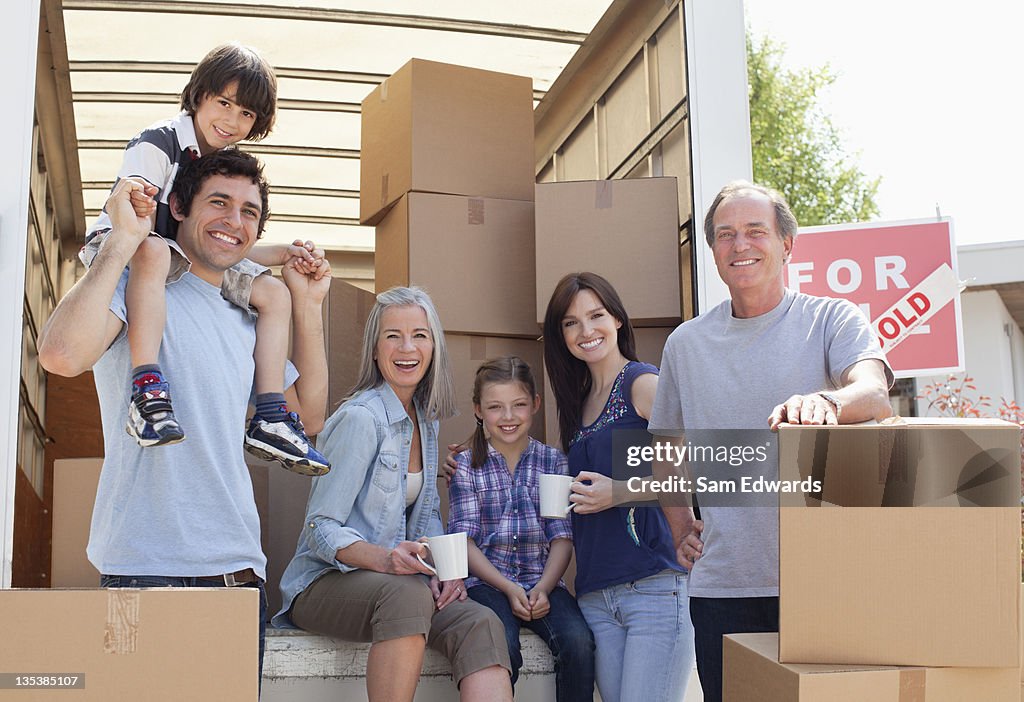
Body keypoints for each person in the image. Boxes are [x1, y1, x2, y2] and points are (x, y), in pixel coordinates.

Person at [38, 149, 331, 679]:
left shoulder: (254, 313)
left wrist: (307, 307)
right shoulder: (140, 287)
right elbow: (60, 356)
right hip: (141, 569)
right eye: (219, 202)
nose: (234, 221)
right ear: (179, 206)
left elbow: (307, 418)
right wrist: (124, 241)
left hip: (238, 574)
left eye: (249, 212)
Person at [647, 180, 894, 702]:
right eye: (725, 235)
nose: (740, 245)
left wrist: (828, 403)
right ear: (712, 251)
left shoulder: (832, 319)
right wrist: (677, 527)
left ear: (786, 243)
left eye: (755, 231)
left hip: (825, 581)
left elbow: (875, 394)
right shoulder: (685, 344)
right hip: (725, 587)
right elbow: (666, 445)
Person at [80, 41, 329, 475]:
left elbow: (214, 241)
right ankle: (147, 387)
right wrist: (135, 223)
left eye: (246, 114)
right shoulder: (158, 141)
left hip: (176, 254)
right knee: (154, 251)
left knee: (272, 292)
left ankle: (270, 412)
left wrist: (283, 254)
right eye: (224, 103)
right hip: (127, 245)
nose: (232, 121)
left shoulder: (217, 163)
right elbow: (137, 210)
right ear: (198, 95)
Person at [273, 287, 513, 702]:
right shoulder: (360, 420)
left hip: (401, 588)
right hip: (324, 585)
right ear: (374, 349)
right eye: (393, 336)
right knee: (405, 595)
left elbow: (428, 516)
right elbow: (320, 528)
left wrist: (449, 569)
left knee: (479, 621)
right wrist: (386, 560)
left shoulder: (426, 421)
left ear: (434, 346)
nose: (407, 348)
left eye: (420, 335)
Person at [542, 272, 695, 702]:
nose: (586, 331)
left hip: (653, 586)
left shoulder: (642, 384)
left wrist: (619, 492)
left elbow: (706, 467)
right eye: (571, 323)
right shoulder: (578, 402)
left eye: (596, 316)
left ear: (618, 321)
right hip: (596, 596)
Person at [448, 356, 595, 701]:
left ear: (535, 405)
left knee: (578, 642)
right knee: (502, 644)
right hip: (486, 583)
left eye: (519, 405)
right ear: (479, 410)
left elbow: (561, 536)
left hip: (541, 579)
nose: (509, 417)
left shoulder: (554, 462)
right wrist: (509, 588)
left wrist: (543, 587)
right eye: (496, 407)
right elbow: (464, 541)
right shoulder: (466, 466)